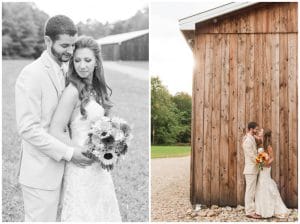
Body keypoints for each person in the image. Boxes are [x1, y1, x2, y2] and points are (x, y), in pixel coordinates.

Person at [15, 15, 92, 221]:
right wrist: (69, 152)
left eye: (72, 45)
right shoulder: (31, 74)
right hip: (41, 174)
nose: (70, 51)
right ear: (48, 41)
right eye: (64, 45)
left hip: (65, 172)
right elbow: (28, 129)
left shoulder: (68, 68)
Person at [49, 36, 121, 221]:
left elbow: (106, 124)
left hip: (98, 166)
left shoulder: (97, 89)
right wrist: (76, 151)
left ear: (96, 62)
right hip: (80, 165)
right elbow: (56, 130)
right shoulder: (72, 91)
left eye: (87, 60)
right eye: (77, 60)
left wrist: (111, 145)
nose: (82, 66)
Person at [255, 128, 290, 218]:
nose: (260, 132)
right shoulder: (260, 143)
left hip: (266, 168)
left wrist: (266, 163)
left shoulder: (268, 146)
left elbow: (272, 158)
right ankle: (261, 210)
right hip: (261, 168)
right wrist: (260, 162)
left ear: (265, 135)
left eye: (262, 132)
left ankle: (270, 210)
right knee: (260, 185)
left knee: (265, 185)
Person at [242, 121, 261, 219]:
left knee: (252, 191)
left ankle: (251, 209)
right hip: (250, 170)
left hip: (253, 169)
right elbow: (252, 156)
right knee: (250, 191)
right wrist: (261, 161)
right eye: (256, 129)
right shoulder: (247, 141)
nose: (257, 131)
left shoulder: (251, 138)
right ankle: (249, 211)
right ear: (251, 129)